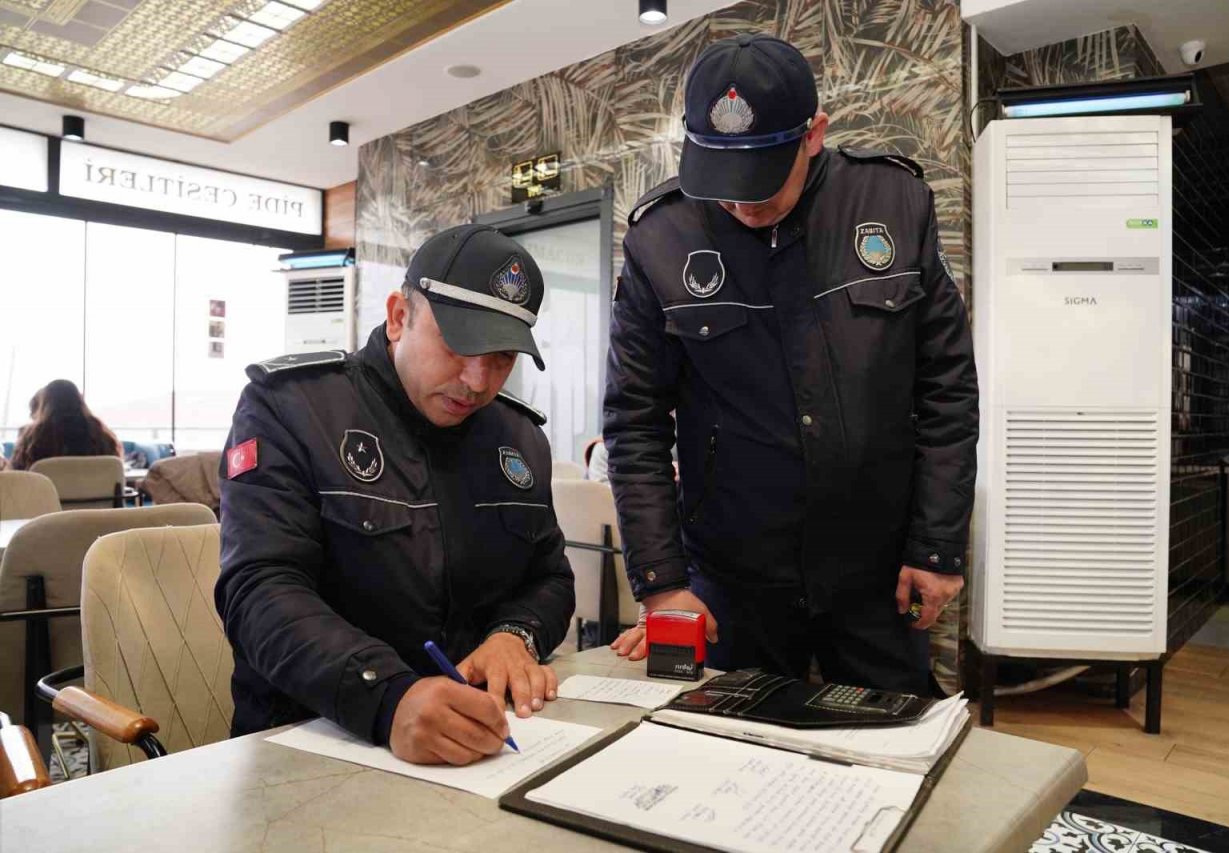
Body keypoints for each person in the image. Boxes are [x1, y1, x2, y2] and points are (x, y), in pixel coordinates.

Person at [605, 34, 979, 696]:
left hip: (875, 571)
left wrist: (937, 547)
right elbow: (635, 422)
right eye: (722, 180)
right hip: (731, 576)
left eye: (761, 178)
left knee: (888, 742)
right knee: (728, 745)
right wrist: (661, 580)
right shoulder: (659, 239)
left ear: (813, 135)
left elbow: (947, 388)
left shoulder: (895, 203)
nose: (741, 204)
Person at [216, 224, 575, 766]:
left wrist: (515, 635)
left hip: (481, 742)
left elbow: (549, 578)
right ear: (399, 316)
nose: (477, 381)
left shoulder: (518, 437)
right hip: (313, 736)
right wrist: (386, 697)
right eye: (459, 345)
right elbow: (259, 590)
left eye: (502, 357)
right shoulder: (292, 408)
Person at [10, 379, 122, 470]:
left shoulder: (32, 439)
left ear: (44, 406)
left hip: (45, 492)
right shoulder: (102, 436)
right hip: (96, 492)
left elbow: (18, 474)